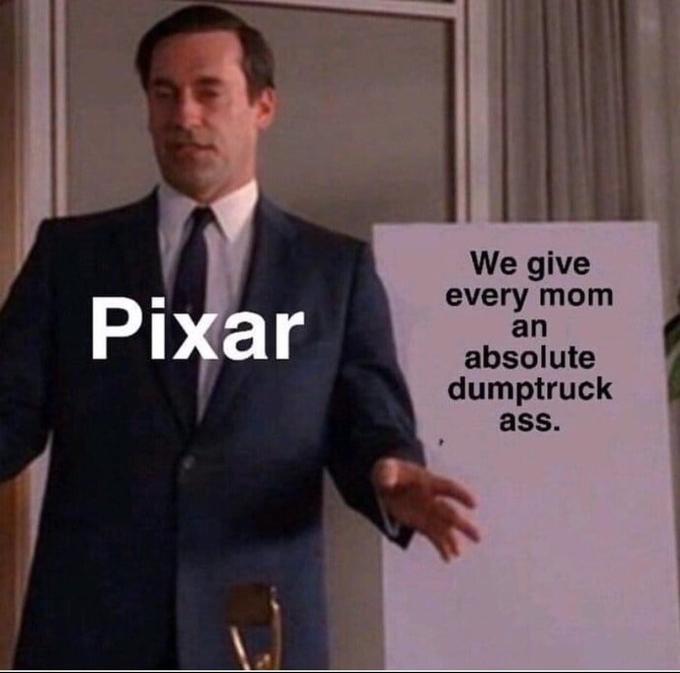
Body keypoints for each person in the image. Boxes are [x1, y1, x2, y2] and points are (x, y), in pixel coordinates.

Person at [1, 4, 479, 669]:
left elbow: (368, 424)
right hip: (88, 635)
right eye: (164, 94)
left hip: (258, 635)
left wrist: (388, 476)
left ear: (263, 106)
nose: (184, 115)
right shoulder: (71, 258)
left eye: (209, 92)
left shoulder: (333, 272)